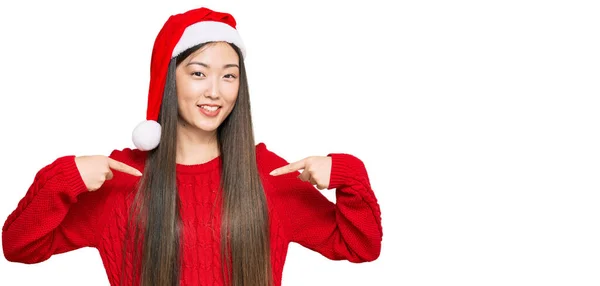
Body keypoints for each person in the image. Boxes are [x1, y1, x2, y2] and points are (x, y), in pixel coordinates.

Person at [1, 7, 382, 286]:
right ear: (169, 80)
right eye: (198, 73)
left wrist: (347, 175)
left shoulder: (268, 177)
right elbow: (20, 247)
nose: (214, 91)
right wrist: (61, 178)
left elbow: (360, 246)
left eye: (228, 76)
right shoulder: (122, 180)